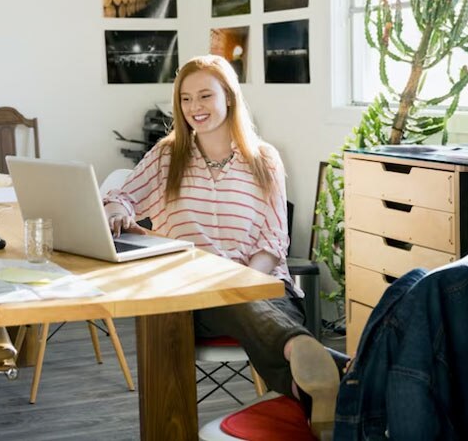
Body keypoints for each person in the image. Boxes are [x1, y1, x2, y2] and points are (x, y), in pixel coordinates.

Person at [102, 54, 340, 434]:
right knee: (226, 298)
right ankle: (318, 361)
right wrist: (115, 207)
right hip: (192, 299)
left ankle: (306, 384)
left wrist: (240, 281)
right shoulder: (168, 155)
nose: (195, 107)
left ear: (228, 97)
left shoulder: (264, 159)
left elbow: (273, 240)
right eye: (185, 98)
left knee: (238, 297)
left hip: (263, 288)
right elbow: (123, 195)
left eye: (205, 96)